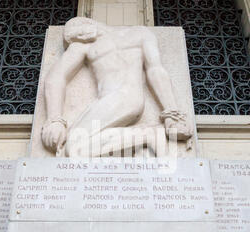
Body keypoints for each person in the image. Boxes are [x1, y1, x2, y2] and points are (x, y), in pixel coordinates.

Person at [41, 17, 192, 157]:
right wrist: (55, 120)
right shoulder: (87, 43)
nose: (75, 38)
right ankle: (147, 135)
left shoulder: (139, 34)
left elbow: (155, 70)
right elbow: (55, 78)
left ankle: (148, 135)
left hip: (119, 99)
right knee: (77, 147)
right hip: (120, 100)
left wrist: (172, 115)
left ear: (85, 23)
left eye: (74, 34)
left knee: (74, 147)